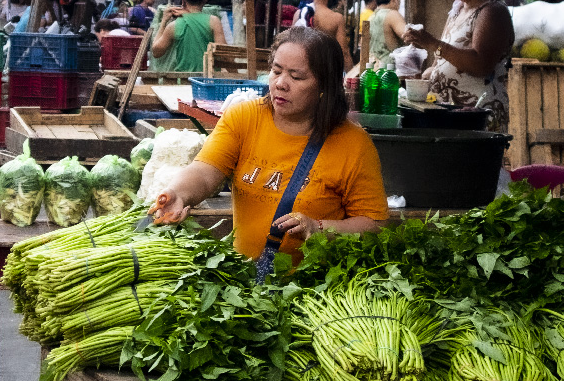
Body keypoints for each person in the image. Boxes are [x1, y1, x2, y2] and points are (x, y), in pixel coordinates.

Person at [150, 28, 388, 262]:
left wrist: (319, 228)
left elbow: (375, 224)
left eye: (296, 77)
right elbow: (204, 172)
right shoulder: (244, 118)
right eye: (276, 71)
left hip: (314, 290)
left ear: (324, 87)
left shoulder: (354, 144)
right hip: (246, 282)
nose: (281, 84)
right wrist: (178, 193)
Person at [403, 0, 515, 132]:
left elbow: (481, 64)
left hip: (477, 117)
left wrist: (432, 43)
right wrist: (424, 76)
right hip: (449, 116)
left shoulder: (492, 12)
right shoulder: (458, 9)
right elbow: (443, 60)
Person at [151, 0, 226, 72]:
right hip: (209, 80)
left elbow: (156, 52)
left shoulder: (173, 26)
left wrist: (163, 21)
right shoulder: (214, 21)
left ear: (183, 0)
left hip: (183, 80)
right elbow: (224, 54)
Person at [294, 0, 352, 71]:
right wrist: (351, 76)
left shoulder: (299, 14)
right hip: (325, 71)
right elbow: (344, 53)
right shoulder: (336, 18)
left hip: (301, 70)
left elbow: (291, 44)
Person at [366, 0, 408, 69]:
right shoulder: (392, 14)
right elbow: (408, 36)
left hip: (372, 70)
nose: (399, 4)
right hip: (389, 73)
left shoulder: (371, 17)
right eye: (399, 0)